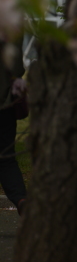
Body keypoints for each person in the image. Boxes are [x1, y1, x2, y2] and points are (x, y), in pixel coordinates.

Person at [0, 56, 27, 216]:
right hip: (5, 102)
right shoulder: (11, 32)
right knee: (7, 158)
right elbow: (17, 67)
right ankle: (21, 199)